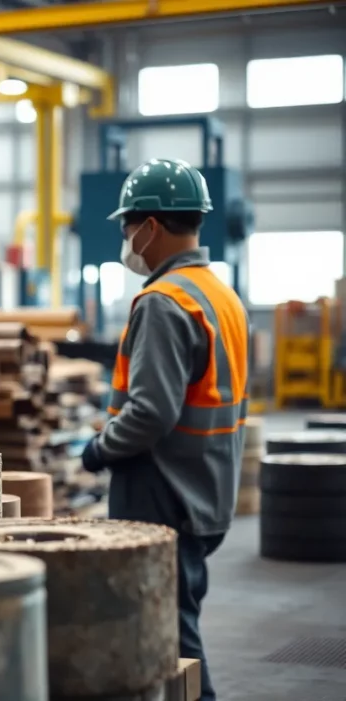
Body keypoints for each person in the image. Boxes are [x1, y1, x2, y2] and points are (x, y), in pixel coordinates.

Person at [81, 158, 249, 701]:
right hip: (207, 485)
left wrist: (100, 448)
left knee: (169, 635)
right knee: (176, 616)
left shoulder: (163, 302)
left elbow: (151, 412)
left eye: (127, 225)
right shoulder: (220, 295)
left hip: (163, 486)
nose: (126, 237)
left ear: (150, 226)